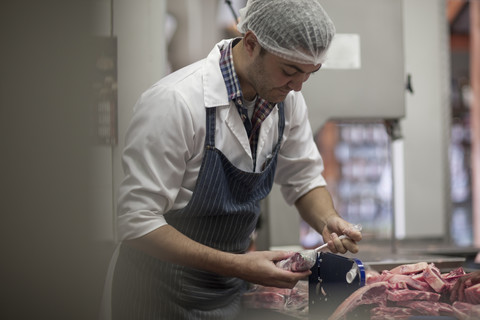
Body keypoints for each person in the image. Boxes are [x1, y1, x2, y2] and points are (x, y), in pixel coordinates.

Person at [109, 0, 362, 319]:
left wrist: (327, 220)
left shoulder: (288, 102)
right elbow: (136, 221)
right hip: (154, 295)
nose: (298, 86)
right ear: (253, 44)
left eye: (309, 74)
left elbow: (303, 179)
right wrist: (238, 266)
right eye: (289, 71)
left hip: (228, 292)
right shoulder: (175, 103)